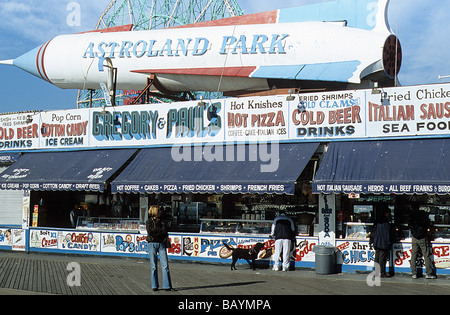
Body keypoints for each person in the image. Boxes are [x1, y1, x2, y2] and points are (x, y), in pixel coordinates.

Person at [146, 205, 175, 291]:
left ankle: (167, 286)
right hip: (152, 243)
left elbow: (164, 231)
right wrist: (159, 231)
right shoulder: (149, 222)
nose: (160, 212)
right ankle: (154, 286)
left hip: (161, 243)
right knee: (154, 266)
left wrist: (157, 231)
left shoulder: (162, 221)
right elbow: (151, 232)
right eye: (158, 211)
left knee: (165, 265)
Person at [408, 209, 436, 279]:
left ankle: (413, 273)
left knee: (413, 255)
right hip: (423, 238)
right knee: (426, 255)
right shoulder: (424, 219)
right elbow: (428, 226)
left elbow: (410, 226)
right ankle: (428, 273)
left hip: (414, 238)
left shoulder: (413, 218)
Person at [369, 206, 393, 278]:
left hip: (377, 242)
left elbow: (373, 232)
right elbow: (387, 234)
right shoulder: (386, 223)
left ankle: (376, 272)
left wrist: (371, 241)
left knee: (377, 257)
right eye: (389, 213)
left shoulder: (377, 221)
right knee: (382, 259)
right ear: (386, 213)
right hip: (383, 243)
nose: (390, 215)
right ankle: (382, 273)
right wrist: (388, 242)